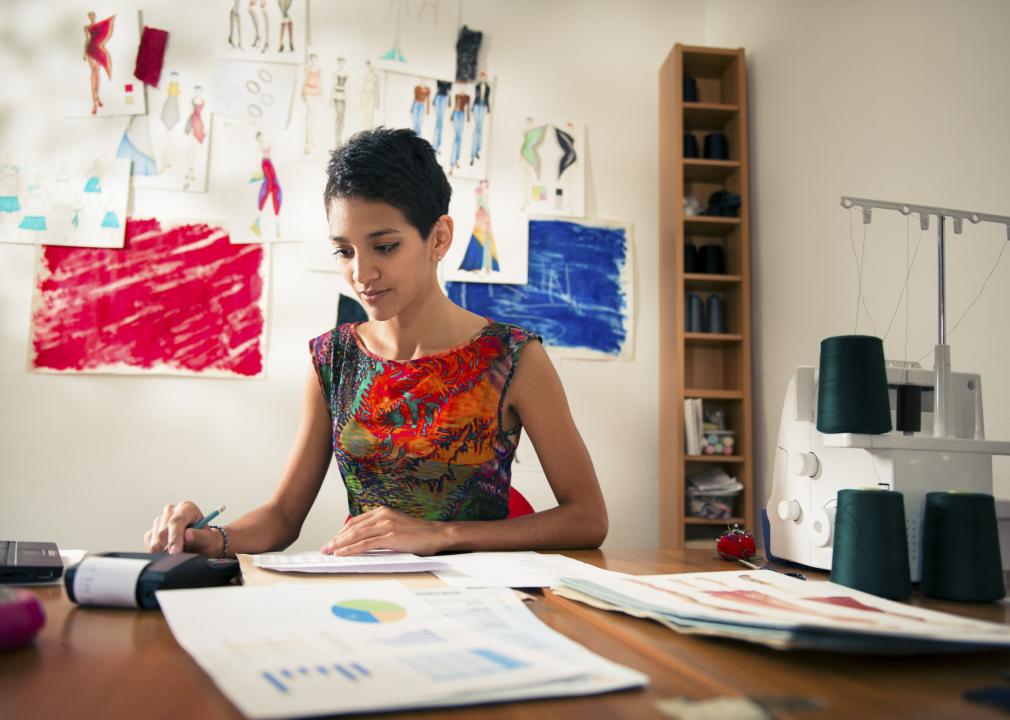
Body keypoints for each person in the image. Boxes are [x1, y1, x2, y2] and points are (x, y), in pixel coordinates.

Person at [144, 127, 608, 559]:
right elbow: (283, 517)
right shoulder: (333, 359)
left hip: (482, 599)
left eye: (384, 246)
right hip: (367, 591)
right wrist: (206, 538)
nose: (361, 274)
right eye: (345, 251)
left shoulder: (513, 358)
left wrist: (441, 535)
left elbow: (587, 519)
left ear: (439, 238)